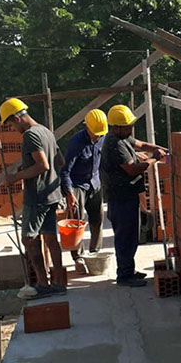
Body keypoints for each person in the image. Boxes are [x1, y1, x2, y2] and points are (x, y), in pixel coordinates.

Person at [0, 97, 67, 297]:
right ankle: (59, 284)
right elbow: (59, 161)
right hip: (52, 195)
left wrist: (15, 177)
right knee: (51, 239)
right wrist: (26, 166)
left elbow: (43, 165)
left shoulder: (30, 135)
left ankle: (43, 285)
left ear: (16, 118)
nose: (13, 129)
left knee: (29, 239)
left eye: (11, 125)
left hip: (37, 197)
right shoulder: (46, 131)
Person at [100, 104, 168, 287]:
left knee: (131, 236)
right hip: (120, 198)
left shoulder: (123, 138)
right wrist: (155, 158)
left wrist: (160, 148)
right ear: (116, 127)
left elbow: (141, 144)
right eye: (127, 127)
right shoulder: (114, 144)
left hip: (127, 196)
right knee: (125, 237)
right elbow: (132, 169)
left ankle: (128, 270)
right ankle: (124, 275)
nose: (131, 129)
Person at [60, 109, 107, 271]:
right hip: (77, 184)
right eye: (96, 133)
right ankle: (78, 257)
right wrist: (69, 193)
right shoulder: (76, 143)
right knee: (77, 222)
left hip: (94, 183)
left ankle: (95, 253)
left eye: (101, 133)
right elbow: (65, 171)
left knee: (97, 219)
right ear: (87, 127)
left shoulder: (103, 137)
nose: (98, 136)